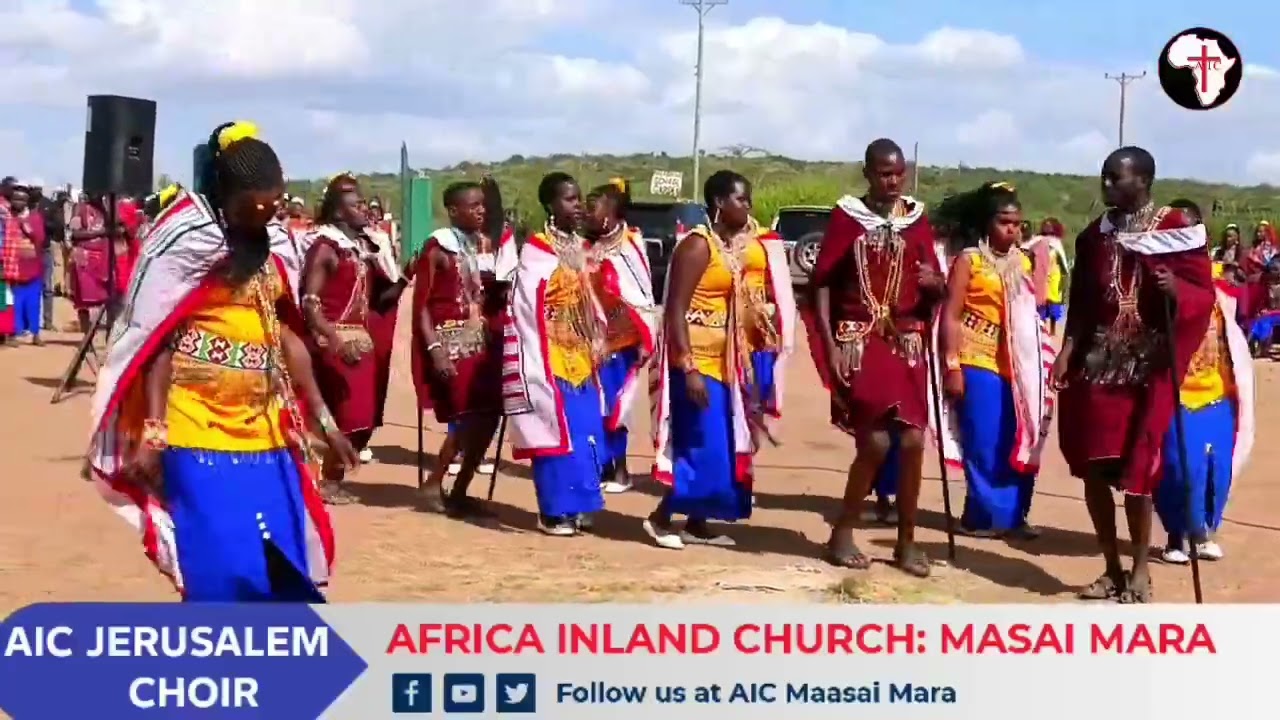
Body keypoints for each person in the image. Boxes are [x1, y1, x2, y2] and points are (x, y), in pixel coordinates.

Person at [85, 121, 355, 601]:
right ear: (223, 193)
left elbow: (286, 336)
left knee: (283, 559)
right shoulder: (185, 241)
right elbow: (155, 341)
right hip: (193, 429)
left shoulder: (276, 245)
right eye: (252, 206)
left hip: (265, 430)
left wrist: (326, 422)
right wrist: (153, 434)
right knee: (224, 564)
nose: (265, 215)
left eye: (273, 205)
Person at [1054, 146, 1214, 603]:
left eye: (1114, 179)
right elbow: (1082, 302)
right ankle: (1110, 569)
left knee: (1138, 470)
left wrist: (1176, 289)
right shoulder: (1094, 237)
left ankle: (1141, 569)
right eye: (1103, 177)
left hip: (1148, 369)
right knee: (1094, 469)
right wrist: (1067, 350)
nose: (1105, 186)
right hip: (1098, 366)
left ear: (1142, 181)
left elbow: (1203, 294)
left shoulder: (1176, 231)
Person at [803, 138, 946, 576]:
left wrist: (932, 282)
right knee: (877, 441)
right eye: (885, 173)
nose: (893, 181)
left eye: (898, 173)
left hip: (905, 342)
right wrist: (829, 345)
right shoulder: (848, 218)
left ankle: (906, 543)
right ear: (867, 173)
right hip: (858, 339)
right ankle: (842, 533)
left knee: (914, 440)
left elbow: (937, 287)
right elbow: (822, 282)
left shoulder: (916, 220)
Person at [644, 170, 786, 549]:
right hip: (698, 362)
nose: (749, 206)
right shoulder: (697, 246)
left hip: (728, 362)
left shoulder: (731, 248)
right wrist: (688, 367)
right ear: (720, 203)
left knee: (722, 444)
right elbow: (675, 310)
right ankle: (659, 519)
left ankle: (696, 522)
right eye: (742, 199)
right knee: (700, 442)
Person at [935, 182, 1054, 539]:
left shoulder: (1025, 261)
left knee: (1018, 438)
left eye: (1017, 223)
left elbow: (1034, 313)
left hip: (1019, 366)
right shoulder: (969, 260)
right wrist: (952, 365)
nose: (1013, 230)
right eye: (1005, 222)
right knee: (984, 441)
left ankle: (1013, 516)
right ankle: (986, 516)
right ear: (988, 223)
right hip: (977, 359)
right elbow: (950, 316)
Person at [503, 172, 608, 535]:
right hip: (547, 356)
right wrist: (536, 357)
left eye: (579, 198)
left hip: (579, 355)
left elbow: (589, 298)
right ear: (550, 204)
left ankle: (581, 505)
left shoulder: (578, 247)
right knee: (552, 428)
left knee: (586, 429)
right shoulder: (536, 250)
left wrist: (597, 335)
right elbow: (525, 306)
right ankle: (553, 511)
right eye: (569, 199)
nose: (577, 206)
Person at [1153, 200, 1254, 564]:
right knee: (1179, 469)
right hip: (1176, 394)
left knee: (1216, 471)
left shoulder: (1217, 279)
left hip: (1217, 392)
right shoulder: (1154, 279)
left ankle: (1205, 530)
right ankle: (1176, 535)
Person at [411, 181, 505, 516]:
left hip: (480, 341)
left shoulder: (480, 245)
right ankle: (433, 484)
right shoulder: (437, 247)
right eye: (474, 205)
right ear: (454, 210)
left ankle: (461, 488)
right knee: (464, 417)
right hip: (448, 342)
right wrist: (434, 349)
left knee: (489, 416)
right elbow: (421, 304)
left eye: (483, 205)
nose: (481, 211)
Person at [300, 174, 381, 504]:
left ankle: (330, 475)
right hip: (334, 343)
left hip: (361, 343)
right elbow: (310, 301)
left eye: (363, 203)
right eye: (355, 205)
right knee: (346, 417)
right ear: (337, 213)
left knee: (363, 420)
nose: (363, 209)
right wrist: (333, 339)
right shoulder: (325, 248)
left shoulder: (360, 248)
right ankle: (326, 479)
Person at [582, 179, 659, 494]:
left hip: (622, 340)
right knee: (594, 405)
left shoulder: (630, 245)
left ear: (611, 213)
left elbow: (641, 295)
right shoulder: (585, 247)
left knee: (615, 405)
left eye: (593, 208)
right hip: (590, 340)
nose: (587, 214)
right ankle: (601, 466)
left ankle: (621, 470)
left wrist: (643, 339)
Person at [0, 183, 47, 345]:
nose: (18, 202)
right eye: (15, 199)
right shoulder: (6, 217)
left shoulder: (34, 217)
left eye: (22, 199)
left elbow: (40, 239)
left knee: (33, 302)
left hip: (31, 266)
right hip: (11, 266)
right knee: (12, 302)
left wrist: (27, 228)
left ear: (27, 201)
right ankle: (12, 333)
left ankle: (35, 334)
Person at [1026, 218, 1069, 334]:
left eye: (1050, 225)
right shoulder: (1037, 239)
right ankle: (1041, 322)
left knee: (1053, 301)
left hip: (1054, 275)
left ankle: (1053, 328)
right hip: (1040, 274)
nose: (1047, 227)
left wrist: (1064, 276)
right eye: (1046, 225)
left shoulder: (1056, 243)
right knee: (1040, 298)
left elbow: (1063, 262)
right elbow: (1026, 249)